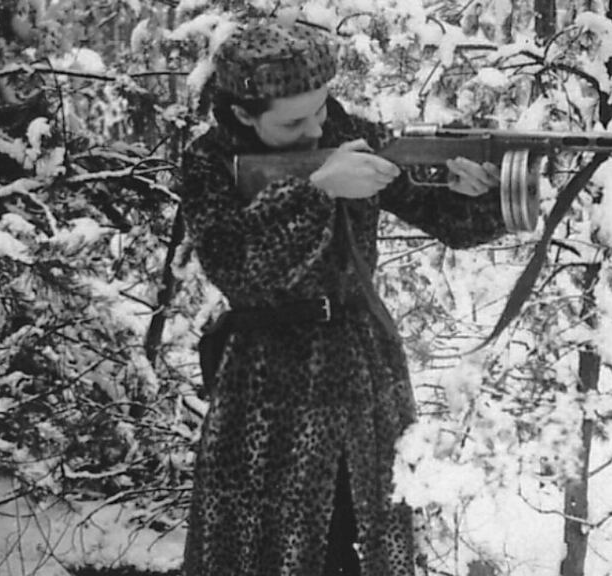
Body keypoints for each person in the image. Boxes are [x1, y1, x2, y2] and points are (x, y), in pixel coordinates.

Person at [179, 21, 507, 576]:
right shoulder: (210, 162)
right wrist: (315, 192)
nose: (317, 128)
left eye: (321, 107)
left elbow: (451, 222)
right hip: (263, 380)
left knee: (368, 541)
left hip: (363, 373)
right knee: (259, 550)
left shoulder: (354, 135)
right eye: (293, 121)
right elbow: (236, 267)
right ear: (241, 114)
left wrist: (487, 191)